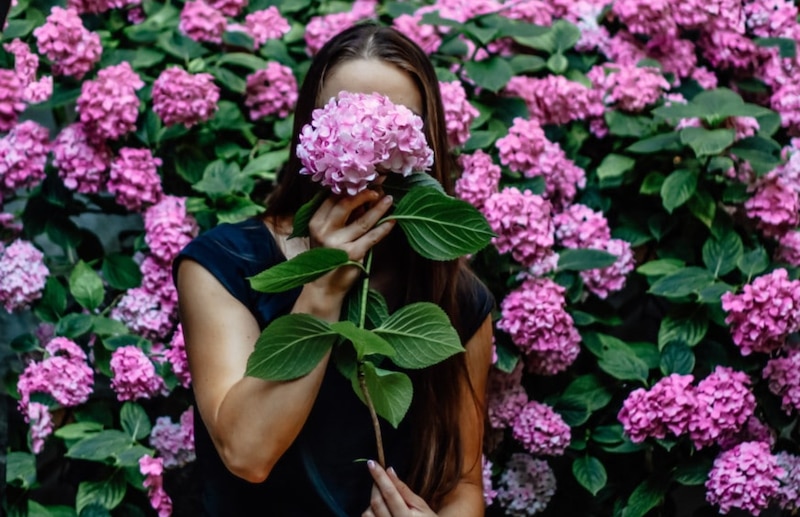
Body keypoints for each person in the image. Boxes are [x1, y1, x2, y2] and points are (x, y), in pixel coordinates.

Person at [173, 21, 495, 517]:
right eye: (346, 118)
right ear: (313, 129)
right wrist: (323, 287)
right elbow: (247, 454)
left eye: (393, 125)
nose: (368, 148)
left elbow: (462, 486)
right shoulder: (225, 267)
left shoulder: (455, 296)